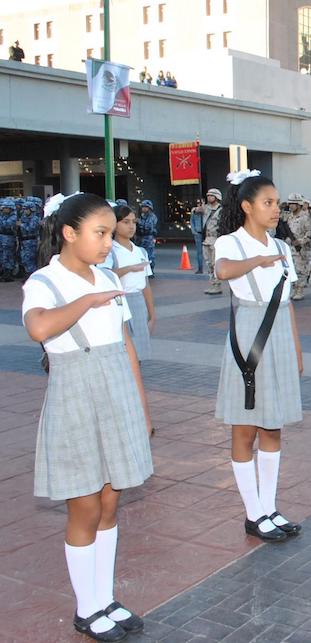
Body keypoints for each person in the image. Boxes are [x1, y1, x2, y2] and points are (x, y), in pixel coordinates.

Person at [24, 192, 153, 641]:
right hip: (76, 393)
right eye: (100, 233)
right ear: (69, 233)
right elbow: (38, 328)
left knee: (111, 500)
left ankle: (105, 597)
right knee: (84, 505)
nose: (106, 242)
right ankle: (86, 608)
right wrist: (87, 302)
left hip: (116, 389)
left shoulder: (106, 276)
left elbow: (126, 343)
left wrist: (140, 403)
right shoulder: (44, 281)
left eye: (109, 233)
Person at [214, 170, 303, 543]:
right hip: (250, 331)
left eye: (277, 203)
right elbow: (222, 272)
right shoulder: (230, 242)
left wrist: (297, 349)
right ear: (247, 206)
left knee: (273, 424)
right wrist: (258, 260)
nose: (276, 209)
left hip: (279, 331)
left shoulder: (282, 247)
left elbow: (287, 302)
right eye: (268, 203)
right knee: (244, 424)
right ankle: (253, 513)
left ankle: (269, 506)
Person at [102, 204, 155, 363]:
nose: (131, 226)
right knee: (123, 351)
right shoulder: (110, 251)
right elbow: (105, 276)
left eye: (133, 222)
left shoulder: (140, 251)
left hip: (138, 301)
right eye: (125, 222)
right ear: (114, 224)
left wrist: (152, 314)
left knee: (138, 352)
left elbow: (145, 285)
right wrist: (129, 268)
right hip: (120, 301)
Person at [284, 193, 311, 300]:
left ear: (299, 205)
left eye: (293, 204)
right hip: (291, 248)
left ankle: (300, 290)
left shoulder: (305, 217)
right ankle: (295, 289)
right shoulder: (290, 217)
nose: (291, 206)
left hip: (302, 248)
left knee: (301, 270)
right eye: (290, 204)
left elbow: (310, 234)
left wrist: (300, 241)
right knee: (292, 269)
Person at [201, 189, 223, 294]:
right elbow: (196, 210)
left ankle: (217, 285)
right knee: (209, 263)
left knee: (215, 263)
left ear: (217, 197)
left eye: (211, 196)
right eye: (208, 195)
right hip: (206, 239)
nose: (209, 197)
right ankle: (213, 284)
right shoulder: (206, 209)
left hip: (216, 239)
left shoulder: (221, 210)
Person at [135, 200, 157, 272]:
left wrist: (139, 222)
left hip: (148, 238)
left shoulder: (152, 217)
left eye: (145, 207)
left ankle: (150, 270)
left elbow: (148, 227)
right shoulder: (142, 216)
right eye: (143, 207)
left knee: (149, 255)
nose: (143, 209)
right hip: (140, 238)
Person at [0, 197, 17, 281]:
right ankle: (4, 272)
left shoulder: (13, 217)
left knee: (8, 256)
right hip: (2, 237)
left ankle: (8, 274)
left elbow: (6, 225)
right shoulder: (2, 216)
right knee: (3, 256)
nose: (3, 209)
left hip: (8, 238)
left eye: (5, 208)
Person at [189, 199, 205, 273]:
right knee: (199, 252)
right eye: (198, 203)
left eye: (201, 203)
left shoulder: (206, 210)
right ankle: (200, 268)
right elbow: (191, 222)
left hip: (206, 233)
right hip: (198, 233)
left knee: (211, 251)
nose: (199, 204)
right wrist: (194, 231)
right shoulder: (194, 212)